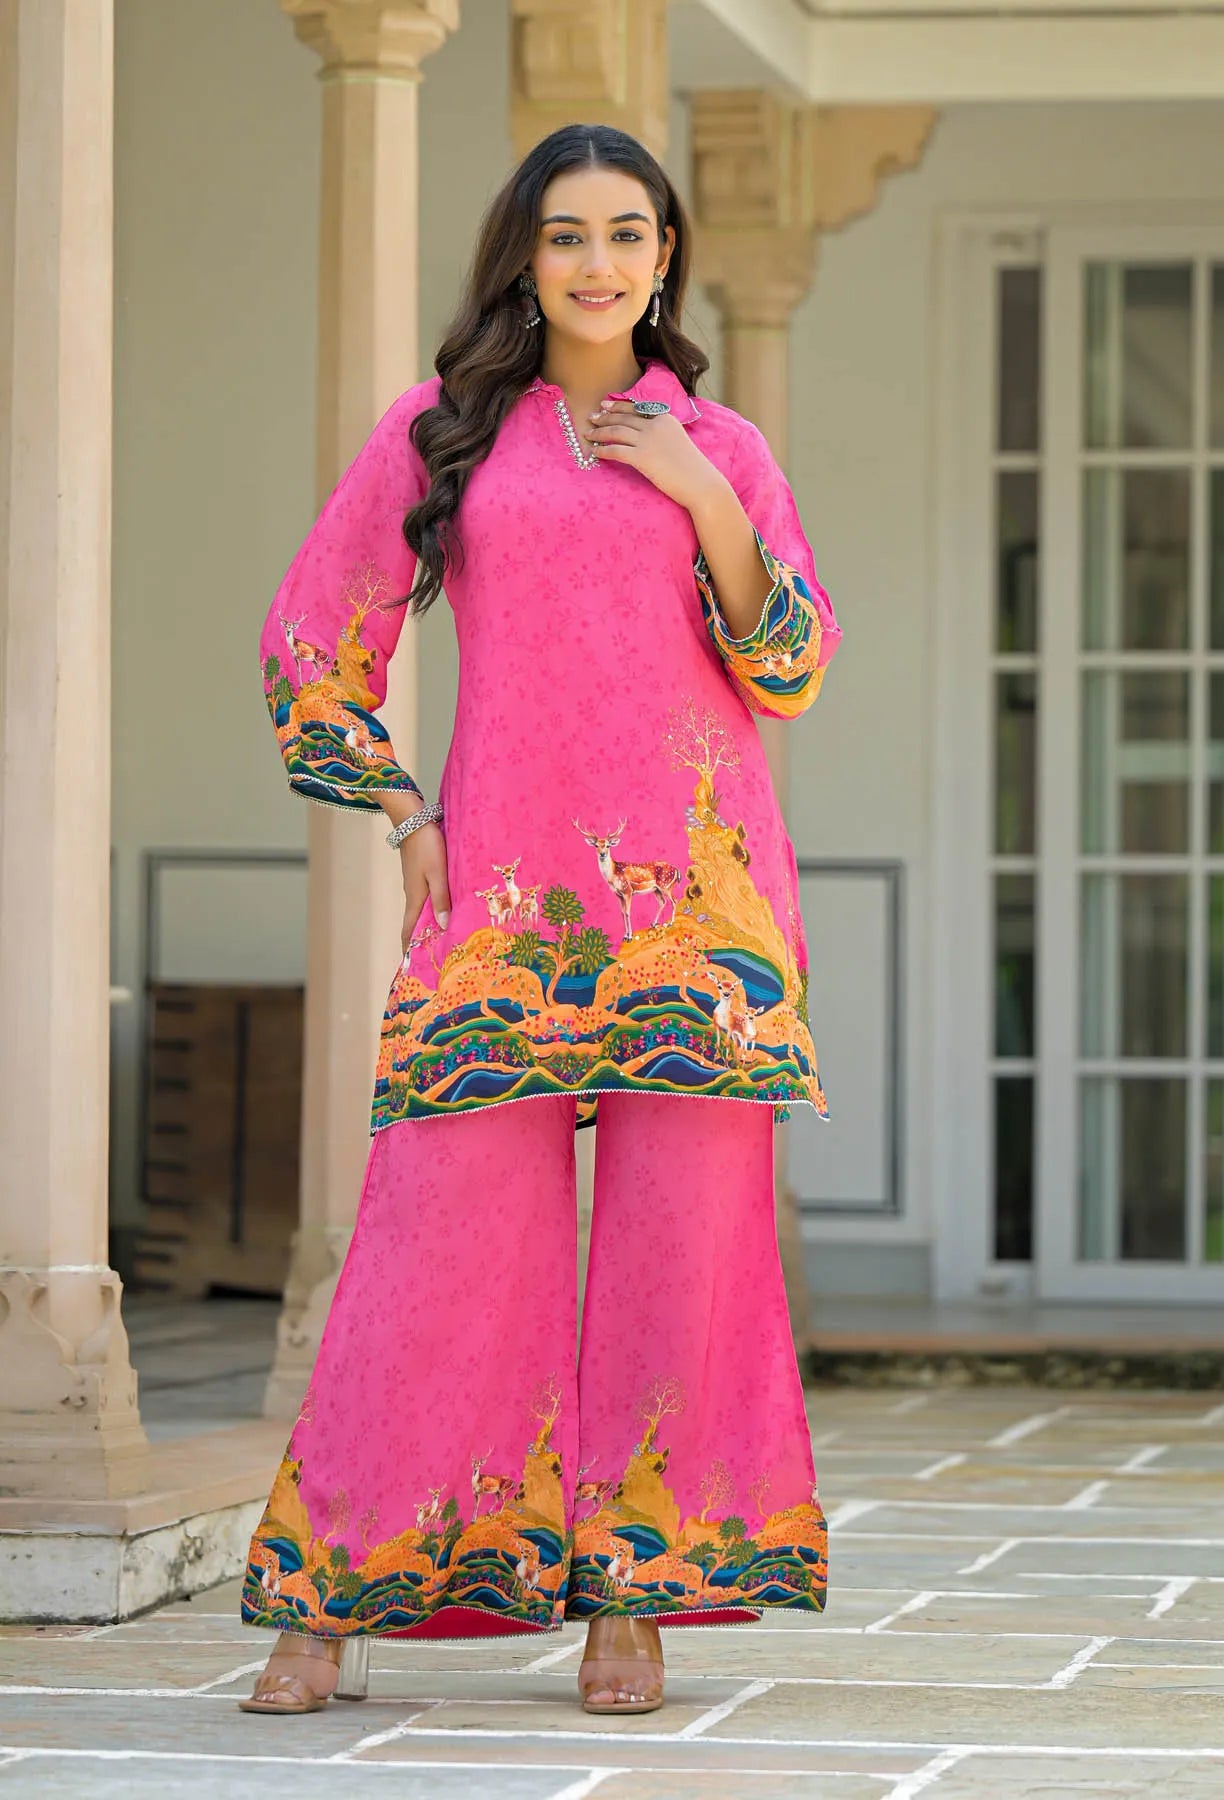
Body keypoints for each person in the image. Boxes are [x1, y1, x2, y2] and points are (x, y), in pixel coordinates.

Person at [239, 122, 841, 1719]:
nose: (598, 264)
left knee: (679, 1257)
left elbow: (788, 666)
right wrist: (405, 811)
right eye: (567, 235)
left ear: (666, 258)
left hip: (699, 922)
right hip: (501, 910)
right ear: (524, 254)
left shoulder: (723, 444)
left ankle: (631, 1604)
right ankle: (333, 1598)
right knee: (434, 1248)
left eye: (629, 235)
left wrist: (706, 493)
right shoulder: (443, 436)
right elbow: (313, 643)